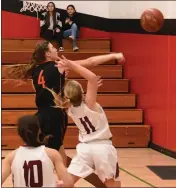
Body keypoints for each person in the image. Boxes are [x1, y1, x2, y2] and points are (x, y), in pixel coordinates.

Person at [6, 40, 124, 187]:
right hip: (55, 115)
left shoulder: (35, 70)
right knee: (57, 156)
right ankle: (62, 182)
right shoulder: (58, 66)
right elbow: (90, 62)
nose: (56, 49)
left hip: (40, 115)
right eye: (53, 48)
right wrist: (114, 55)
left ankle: (34, 178)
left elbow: (40, 90)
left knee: (41, 149)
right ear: (48, 54)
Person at [48, 55, 122, 187]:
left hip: (85, 149)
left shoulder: (68, 108)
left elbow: (79, 90)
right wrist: (71, 64)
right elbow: (92, 78)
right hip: (103, 148)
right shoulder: (89, 103)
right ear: (82, 92)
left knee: (66, 183)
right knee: (112, 183)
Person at [2, 115, 74, 187]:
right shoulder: (52, 154)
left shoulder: (11, 157)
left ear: (19, 133)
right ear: (39, 130)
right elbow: (68, 184)